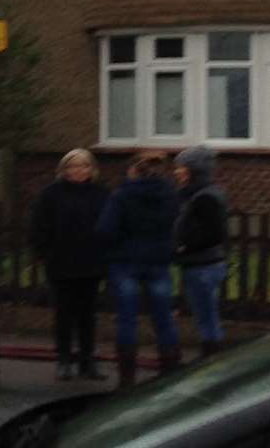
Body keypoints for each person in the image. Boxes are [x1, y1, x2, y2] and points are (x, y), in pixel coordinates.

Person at [96, 150, 181, 388]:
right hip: (158, 261)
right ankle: (170, 369)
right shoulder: (170, 195)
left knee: (126, 320)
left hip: (126, 261)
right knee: (163, 318)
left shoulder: (121, 196)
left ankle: (127, 378)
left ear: (133, 170)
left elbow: (105, 229)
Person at [29, 148, 109, 381]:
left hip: (91, 263)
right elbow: (39, 228)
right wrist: (45, 253)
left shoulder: (101, 194)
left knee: (88, 315)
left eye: (83, 166)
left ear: (91, 169)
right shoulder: (50, 195)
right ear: (63, 170)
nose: (78, 171)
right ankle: (63, 359)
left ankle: (87, 361)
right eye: (73, 166)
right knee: (64, 314)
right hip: (61, 263)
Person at [174, 144, 229, 360]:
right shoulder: (195, 194)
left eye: (181, 167)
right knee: (205, 314)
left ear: (193, 170)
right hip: (199, 264)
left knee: (206, 316)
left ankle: (211, 357)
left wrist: (184, 247)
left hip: (203, 266)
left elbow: (214, 234)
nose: (177, 171)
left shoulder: (205, 197)